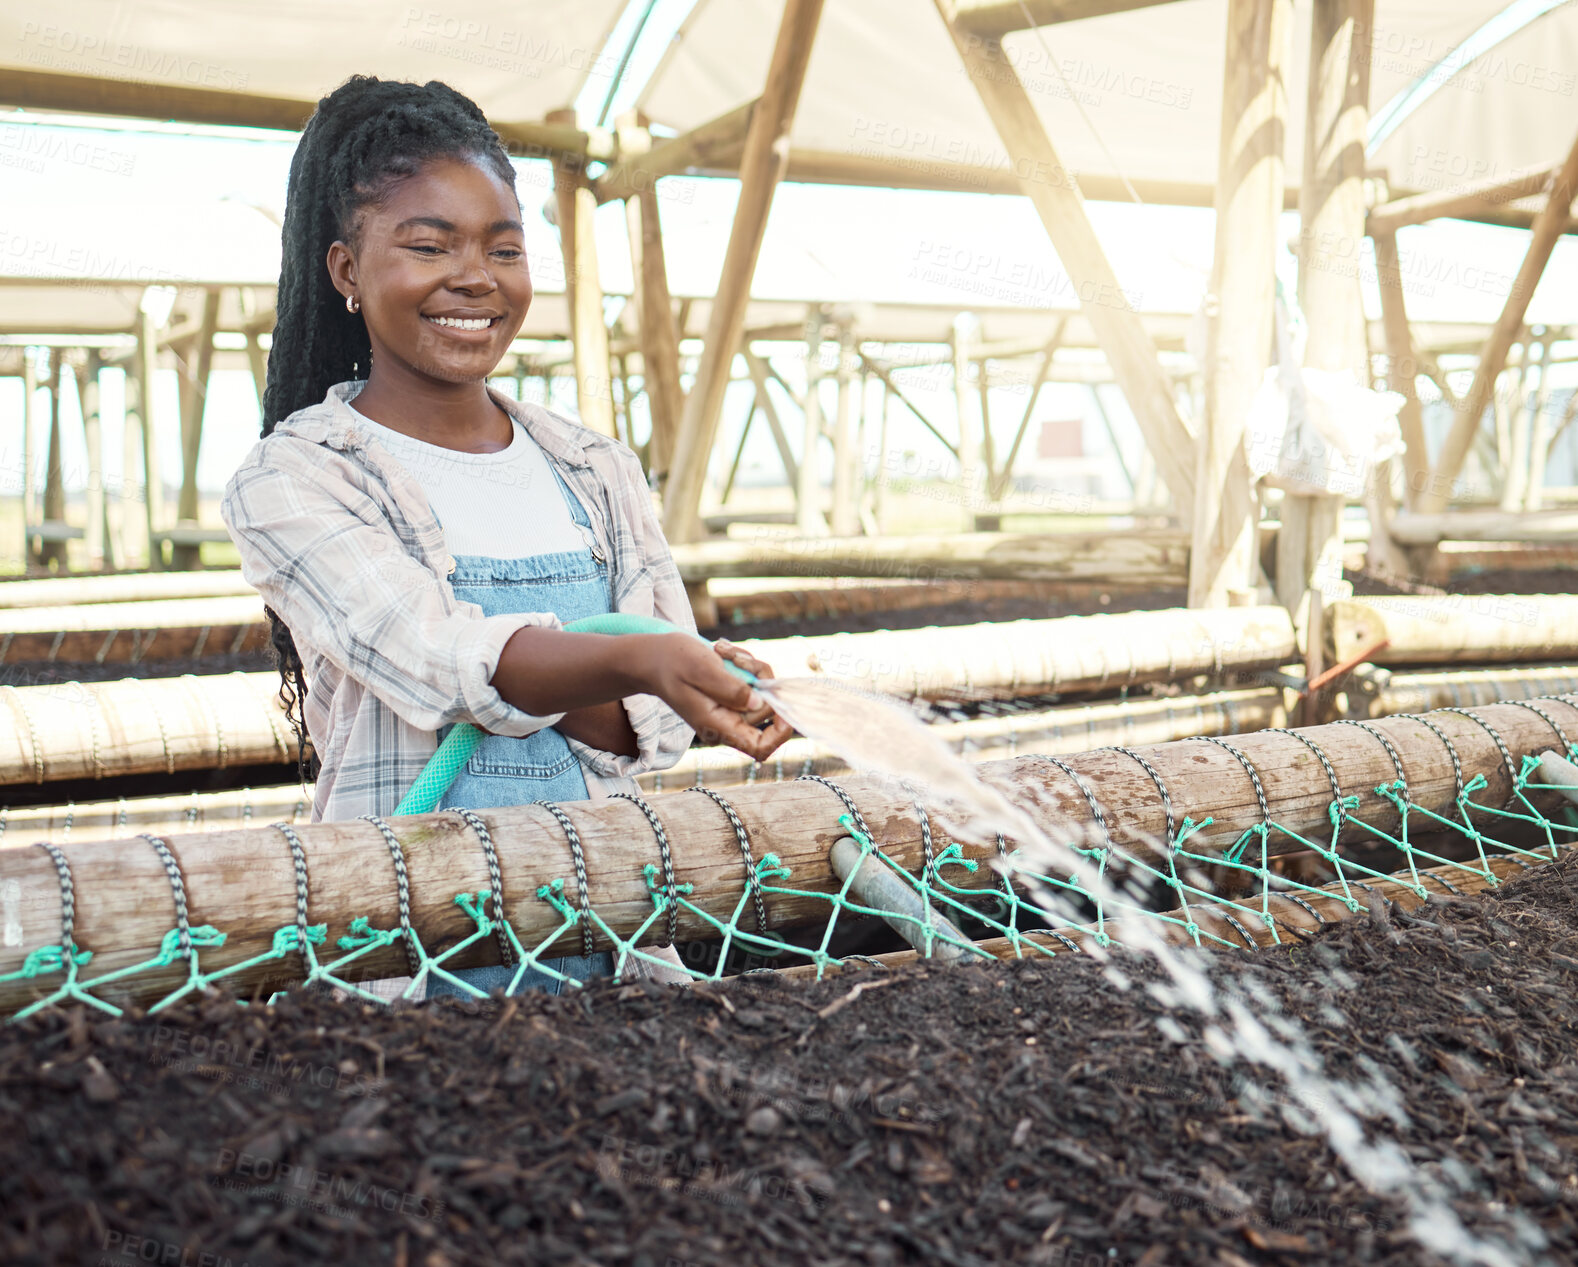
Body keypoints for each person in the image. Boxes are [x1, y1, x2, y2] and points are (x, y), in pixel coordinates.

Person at [222, 75, 793, 998]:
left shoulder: (594, 467)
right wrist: (640, 658)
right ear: (346, 273)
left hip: (610, 934)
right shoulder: (296, 478)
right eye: (427, 245)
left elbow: (636, 734)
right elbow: (428, 657)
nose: (475, 277)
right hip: (406, 955)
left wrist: (668, 673)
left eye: (504, 247)